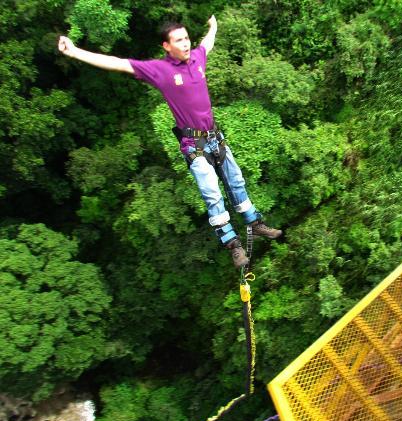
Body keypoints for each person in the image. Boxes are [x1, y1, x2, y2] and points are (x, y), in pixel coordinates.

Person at [58, 15, 282, 268]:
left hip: (215, 138)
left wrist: (214, 27)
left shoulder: (198, 58)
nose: (185, 44)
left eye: (186, 38)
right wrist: (75, 52)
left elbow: (207, 43)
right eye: (178, 40)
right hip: (193, 145)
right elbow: (118, 63)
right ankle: (232, 244)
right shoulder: (160, 71)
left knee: (237, 181)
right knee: (212, 194)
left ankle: (255, 223)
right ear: (166, 46)